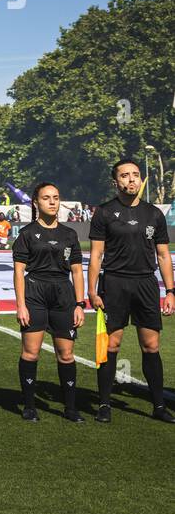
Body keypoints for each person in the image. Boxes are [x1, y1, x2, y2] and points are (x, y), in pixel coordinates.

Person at [88, 159, 175, 423]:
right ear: (115, 182)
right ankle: (104, 405)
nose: (131, 180)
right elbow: (96, 255)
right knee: (111, 345)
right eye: (125, 176)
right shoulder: (103, 213)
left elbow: (163, 256)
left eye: (135, 175)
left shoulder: (154, 214)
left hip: (146, 285)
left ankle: (158, 406)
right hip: (114, 283)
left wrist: (170, 290)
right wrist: (92, 291)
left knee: (151, 345)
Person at [13, 183, 85, 422]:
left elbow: (76, 272)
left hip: (63, 295)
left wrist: (79, 304)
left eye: (56, 197)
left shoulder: (69, 234)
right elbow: (19, 272)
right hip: (35, 293)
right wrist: (21, 305)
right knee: (31, 353)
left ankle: (71, 408)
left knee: (66, 355)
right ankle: (30, 406)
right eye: (46, 198)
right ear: (36, 202)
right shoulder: (26, 234)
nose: (52, 202)